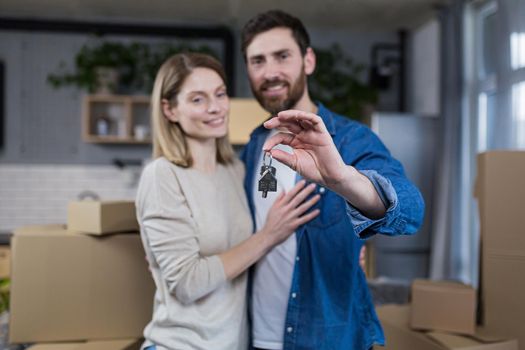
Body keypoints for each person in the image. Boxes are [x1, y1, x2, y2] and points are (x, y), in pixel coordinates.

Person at [240, 10, 425, 350]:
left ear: (308, 60)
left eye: (282, 56)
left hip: (328, 339)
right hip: (256, 338)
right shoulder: (252, 147)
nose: (270, 72)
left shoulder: (349, 140)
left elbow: (411, 211)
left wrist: (341, 179)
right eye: (257, 61)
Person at [135, 52, 321, 350]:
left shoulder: (236, 171)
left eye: (220, 94)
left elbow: (238, 257)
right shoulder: (163, 175)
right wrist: (268, 236)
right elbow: (186, 284)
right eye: (197, 99)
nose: (215, 108)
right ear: (169, 110)